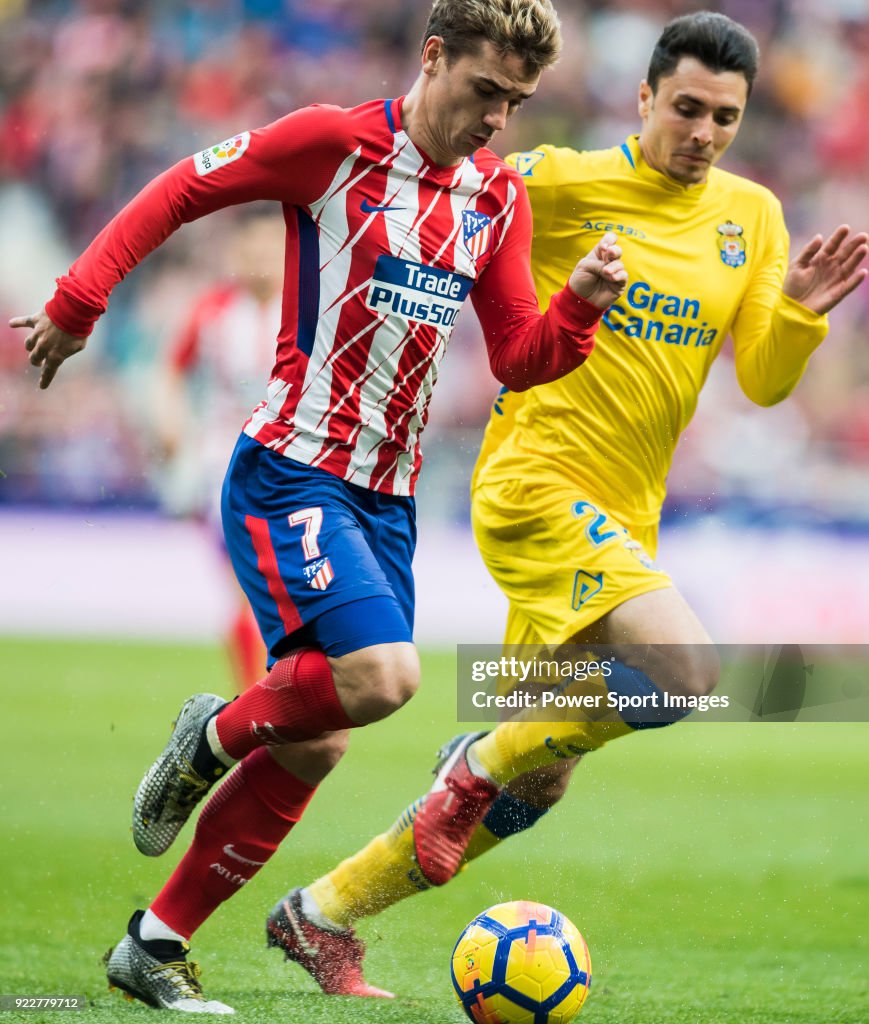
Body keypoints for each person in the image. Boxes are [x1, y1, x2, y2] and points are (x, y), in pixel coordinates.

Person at [10, 0, 629, 1014]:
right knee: (383, 677)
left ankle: (153, 945)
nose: (495, 121)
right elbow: (181, 188)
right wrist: (80, 299)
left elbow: (520, 356)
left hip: (386, 503)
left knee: (318, 739)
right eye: (483, 92)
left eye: (515, 103)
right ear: (433, 57)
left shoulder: (494, 197)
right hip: (290, 468)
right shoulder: (332, 144)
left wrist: (579, 310)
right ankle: (210, 738)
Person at [272, 10, 869, 997]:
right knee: (679, 670)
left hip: (625, 519)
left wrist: (800, 308)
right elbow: (428, 214)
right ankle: (466, 763)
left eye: (723, 117)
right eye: (683, 108)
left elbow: (761, 380)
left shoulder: (750, 218)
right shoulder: (551, 183)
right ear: (641, 97)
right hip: (533, 485)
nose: (701, 133)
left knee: (536, 781)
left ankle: (321, 912)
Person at [155, 208, 284, 692]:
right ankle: (256, 696)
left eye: (271, 249)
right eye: (251, 250)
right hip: (224, 468)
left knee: (277, 594)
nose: (260, 259)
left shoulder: (307, 308)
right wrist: (171, 422)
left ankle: (275, 693)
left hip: (297, 468)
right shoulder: (213, 310)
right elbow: (170, 370)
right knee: (244, 590)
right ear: (236, 254)